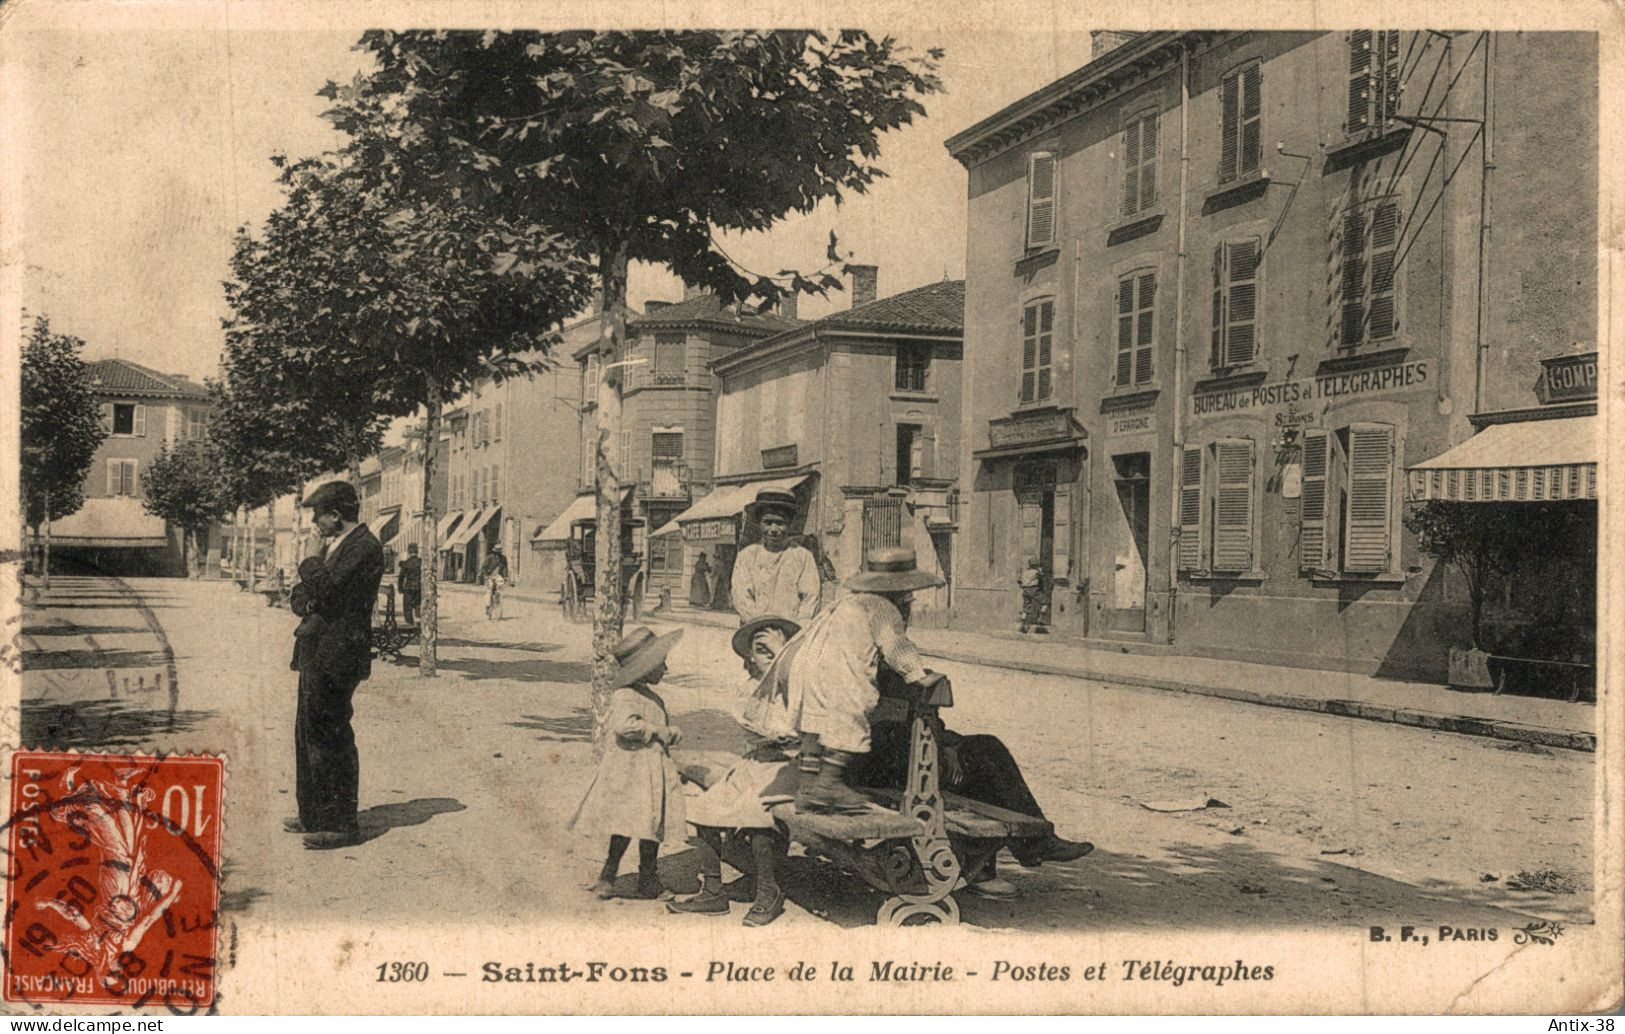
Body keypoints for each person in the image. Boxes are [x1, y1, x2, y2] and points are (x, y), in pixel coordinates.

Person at [750, 619, 1096, 900]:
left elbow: (914, 712)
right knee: (971, 757)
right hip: (856, 769)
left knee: (977, 753)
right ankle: (1013, 852)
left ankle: (1008, 853)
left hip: (880, 758)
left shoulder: (859, 667)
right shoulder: (812, 676)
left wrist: (943, 744)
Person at [667, 615, 802, 926]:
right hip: (756, 762)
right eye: (760, 650)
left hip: (791, 765)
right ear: (749, 657)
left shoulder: (799, 685)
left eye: (774, 649)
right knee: (705, 807)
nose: (766, 657)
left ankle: (768, 891)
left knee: (756, 813)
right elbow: (752, 730)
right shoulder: (750, 688)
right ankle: (713, 891)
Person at [788, 546, 944, 815]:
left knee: (815, 722)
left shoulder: (846, 602)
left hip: (809, 665)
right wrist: (918, 675)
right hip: (841, 672)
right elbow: (895, 645)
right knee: (849, 717)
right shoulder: (883, 607)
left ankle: (806, 786)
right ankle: (829, 784)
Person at [286, 480, 386, 850]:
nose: (315, 522)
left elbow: (325, 592)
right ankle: (313, 814)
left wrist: (311, 563)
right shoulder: (338, 547)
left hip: (340, 653)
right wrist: (311, 592)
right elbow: (302, 597)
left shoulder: (364, 547)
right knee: (307, 733)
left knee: (330, 734)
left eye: (318, 514)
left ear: (336, 514)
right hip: (317, 649)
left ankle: (340, 823)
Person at [568, 627, 686, 900]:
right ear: (644, 668)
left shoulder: (651, 697)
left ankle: (648, 878)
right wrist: (657, 731)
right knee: (626, 824)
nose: (665, 669)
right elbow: (624, 726)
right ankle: (608, 876)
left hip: (651, 772)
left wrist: (668, 735)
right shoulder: (626, 696)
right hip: (632, 772)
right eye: (660, 664)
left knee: (651, 825)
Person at [730, 489, 820, 625]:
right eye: (768, 522)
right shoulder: (747, 556)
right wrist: (759, 624)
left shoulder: (802, 556)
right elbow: (741, 595)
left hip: (792, 631)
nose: (773, 529)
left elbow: (810, 597)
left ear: (789, 524)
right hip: (756, 629)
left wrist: (798, 627)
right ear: (759, 524)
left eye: (780, 523)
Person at [1018, 556, 1048, 634]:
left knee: (1026, 607)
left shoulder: (1024, 572)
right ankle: (1041, 618)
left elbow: (1019, 581)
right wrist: (1040, 570)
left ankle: (1022, 624)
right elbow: (1042, 576)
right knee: (1045, 602)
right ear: (1035, 565)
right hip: (1034, 589)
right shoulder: (1036, 571)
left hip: (1025, 590)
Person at [397, 543, 422, 626]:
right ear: (417, 551)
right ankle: (418, 621)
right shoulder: (421, 562)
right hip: (419, 587)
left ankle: (409, 624)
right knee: (418, 605)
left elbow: (401, 577)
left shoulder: (406, 563)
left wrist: (400, 588)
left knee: (407, 607)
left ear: (408, 551)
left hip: (408, 588)